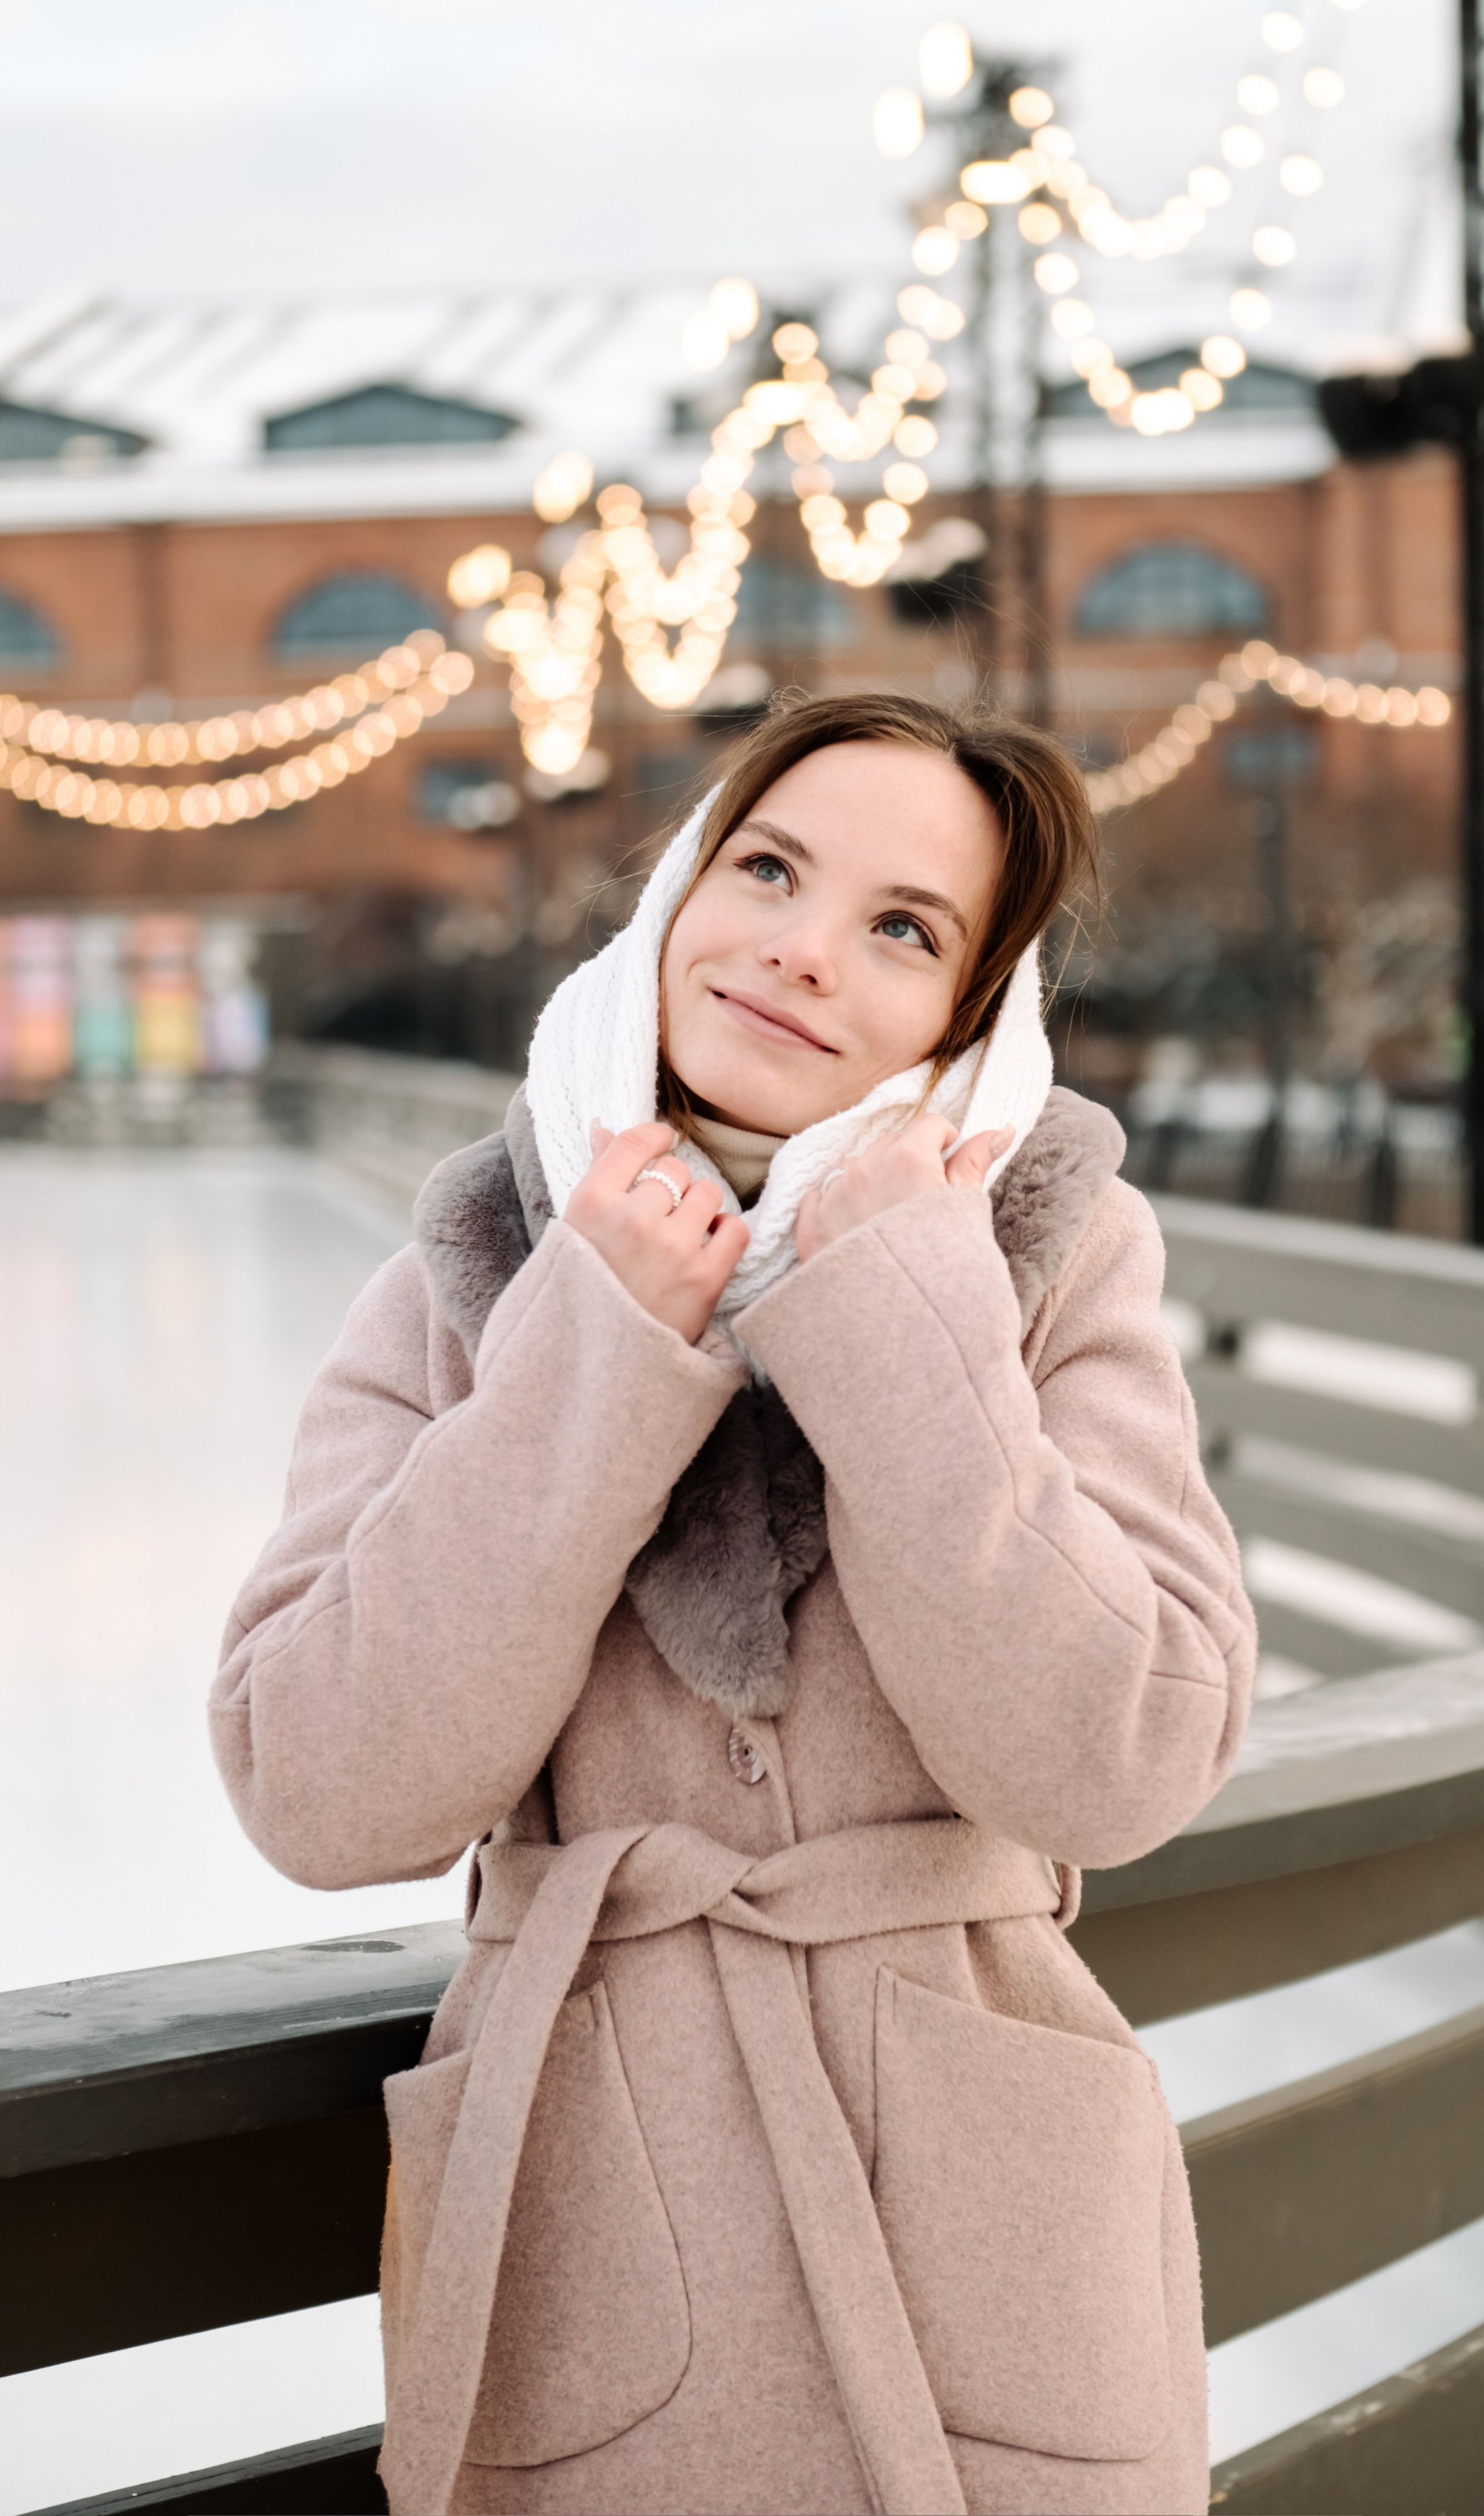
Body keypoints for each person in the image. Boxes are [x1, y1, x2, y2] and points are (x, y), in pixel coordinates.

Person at [212, 687, 1254, 2516]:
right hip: (596, 2235)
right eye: (766, 865)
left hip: (994, 2253)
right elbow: (320, 1786)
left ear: (966, 1011)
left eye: (901, 929)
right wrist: (593, 1344)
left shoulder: (1046, 1248)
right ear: (681, 888)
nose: (800, 950)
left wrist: (898, 1320)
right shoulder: (468, 1269)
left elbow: (1122, 1759)